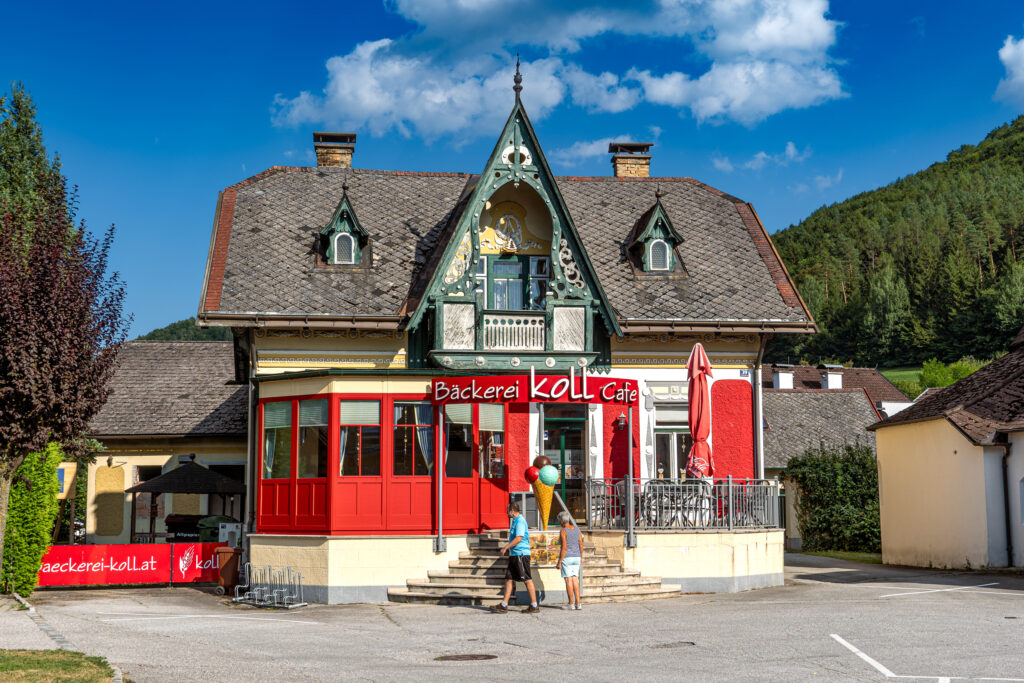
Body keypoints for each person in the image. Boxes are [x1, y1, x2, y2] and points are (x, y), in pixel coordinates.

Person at [491, 501, 539, 613]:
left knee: (527, 579)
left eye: (508, 511)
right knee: (509, 579)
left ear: (512, 511)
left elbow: (519, 538)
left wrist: (506, 548)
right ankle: (504, 604)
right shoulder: (515, 521)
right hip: (515, 555)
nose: (507, 513)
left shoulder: (520, 522)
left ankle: (534, 605)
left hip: (521, 555)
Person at [555, 511, 582, 610]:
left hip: (567, 557)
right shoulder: (577, 529)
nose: (559, 523)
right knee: (575, 579)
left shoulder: (563, 531)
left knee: (568, 579)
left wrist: (559, 562)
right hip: (577, 557)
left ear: (562, 521)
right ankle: (578, 604)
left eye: (559, 521)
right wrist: (581, 556)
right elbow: (580, 543)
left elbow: (564, 547)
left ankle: (571, 603)